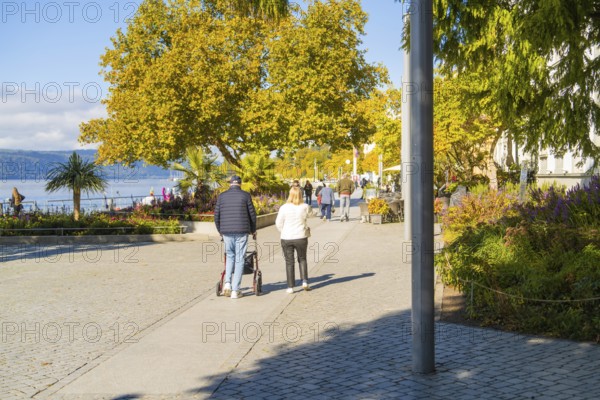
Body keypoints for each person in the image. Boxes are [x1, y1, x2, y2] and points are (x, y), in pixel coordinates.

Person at [214, 175, 257, 299]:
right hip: (242, 231)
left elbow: (216, 216)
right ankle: (235, 289)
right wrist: (253, 230)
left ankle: (227, 283)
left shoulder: (222, 196)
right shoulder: (245, 195)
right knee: (239, 259)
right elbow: (252, 215)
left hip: (226, 232)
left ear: (230, 184)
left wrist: (220, 230)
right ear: (240, 184)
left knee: (230, 256)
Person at [276, 186, 313, 293]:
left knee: (289, 262)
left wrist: (283, 231)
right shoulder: (305, 206)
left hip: (286, 237)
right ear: (301, 195)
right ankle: (305, 281)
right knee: (302, 258)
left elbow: (278, 223)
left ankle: (290, 286)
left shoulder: (284, 207)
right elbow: (312, 214)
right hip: (301, 236)